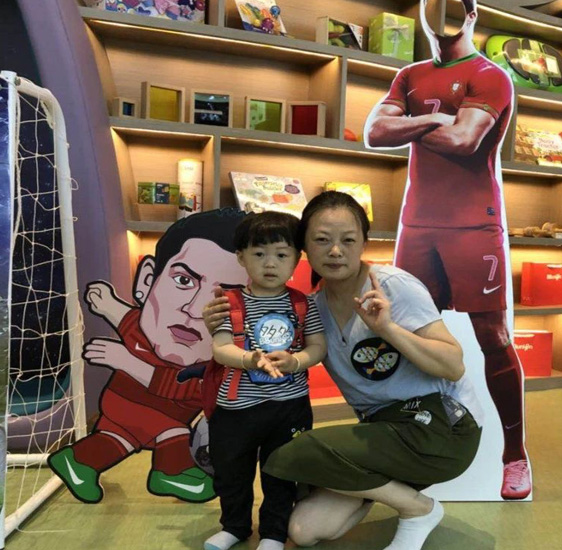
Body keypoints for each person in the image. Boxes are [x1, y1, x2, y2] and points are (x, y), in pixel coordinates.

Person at [203, 191, 483, 550]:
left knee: (293, 451)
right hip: (380, 430)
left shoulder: (391, 286)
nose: (335, 251)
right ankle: (397, 491)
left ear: (364, 242)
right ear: (304, 247)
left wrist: (387, 329)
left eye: (348, 240)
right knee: (304, 530)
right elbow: (266, 340)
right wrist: (223, 322)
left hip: (440, 423)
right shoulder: (311, 308)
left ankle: (418, 509)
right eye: (322, 240)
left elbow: (453, 366)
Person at [364, 0, 530, 500]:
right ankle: (413, 441)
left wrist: (414, 122)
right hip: (417, 225)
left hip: (474, 227)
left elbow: (464, 140)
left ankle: (515, 455)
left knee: (492, 337)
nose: (440, 16)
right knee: (407, 333)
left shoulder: (490, 76)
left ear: (471, 14)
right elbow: (375, 132)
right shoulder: (409, 75)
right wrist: (438, 119)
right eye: (431, 7)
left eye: (452, 7)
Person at [48, 208, 248, 503]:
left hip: (153, 413)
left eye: (225, 298)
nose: (195, 310)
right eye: (184, 281)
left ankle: (78, 462)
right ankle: (171, 473)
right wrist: (108, 305)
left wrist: (126, 361)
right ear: (146, 281)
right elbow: (128, 321)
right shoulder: (146, 330)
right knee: (171, 433)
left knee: (118, 439)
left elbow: (182, 386)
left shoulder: (221, 364)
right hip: (127, 403)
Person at [203, 212, 327, 550]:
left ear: (297, 259)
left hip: (290, 408)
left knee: (282, 471)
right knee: (232, 472)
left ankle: (273, 533)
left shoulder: (304, 304)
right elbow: (220, 349)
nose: (270, 263)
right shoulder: (228, 303)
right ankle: (235, 526)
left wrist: (296, 361)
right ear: (241, 257)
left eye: (282, 254)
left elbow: (317, 347)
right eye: (259, 254)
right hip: (235, 409)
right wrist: (250, 359)